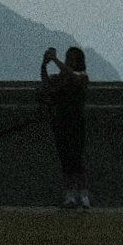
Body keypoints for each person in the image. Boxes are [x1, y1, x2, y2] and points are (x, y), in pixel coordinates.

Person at [40, 44, 92, 210]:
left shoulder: (82, 76)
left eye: (71, 57)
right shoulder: (60, 78)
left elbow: (75, 78)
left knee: (77, 158)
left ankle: (83, 195)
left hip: (76, 120)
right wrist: (44, 65)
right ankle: (70, 194)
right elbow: (47, 85)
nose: (67, 60)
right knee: (65, 159)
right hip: (61, 119)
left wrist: (55, 60)